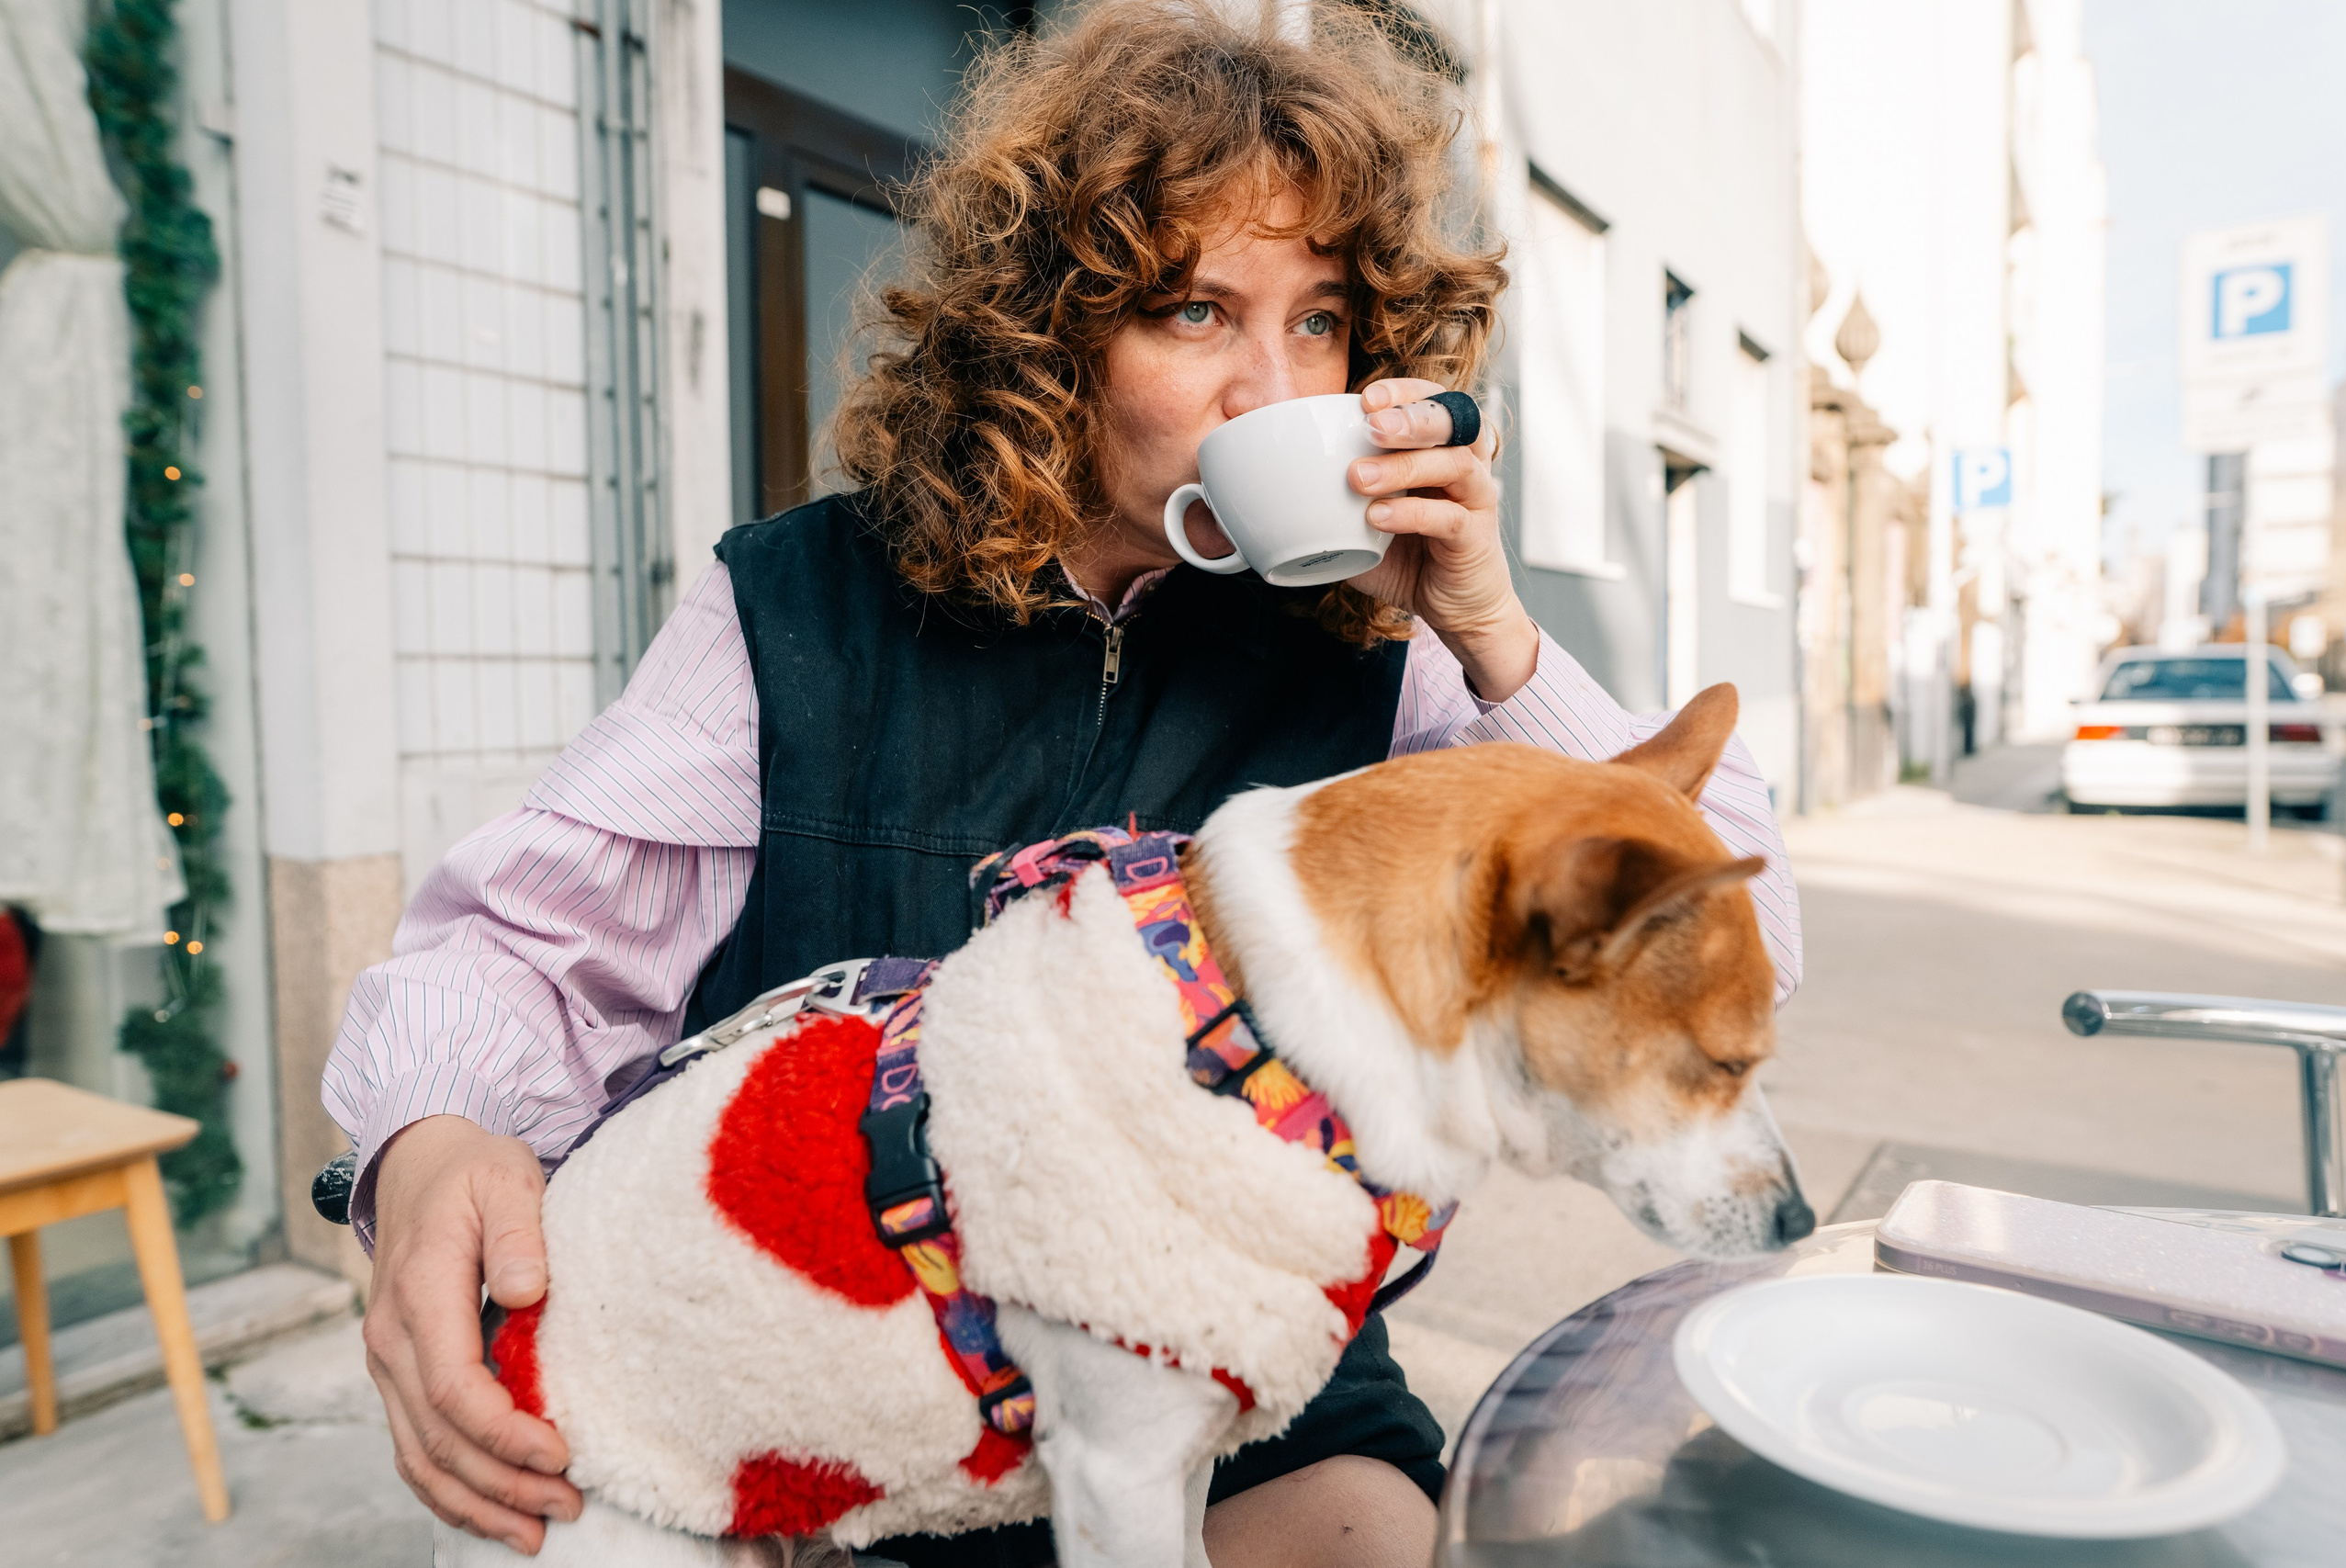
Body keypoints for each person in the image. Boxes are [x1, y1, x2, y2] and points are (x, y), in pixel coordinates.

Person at [325, 4, 1802, 1562]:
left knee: (1388, 1536)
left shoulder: (1392, 646)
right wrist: (427, 1139)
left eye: (1319, 321)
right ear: (1049, 333)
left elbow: (1734, 959)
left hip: (1230, 1367)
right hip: (838, 1361)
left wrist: (1496, 636)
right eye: (1192, 312)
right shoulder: (798, 605)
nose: (1270, 391)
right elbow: (527, 951)